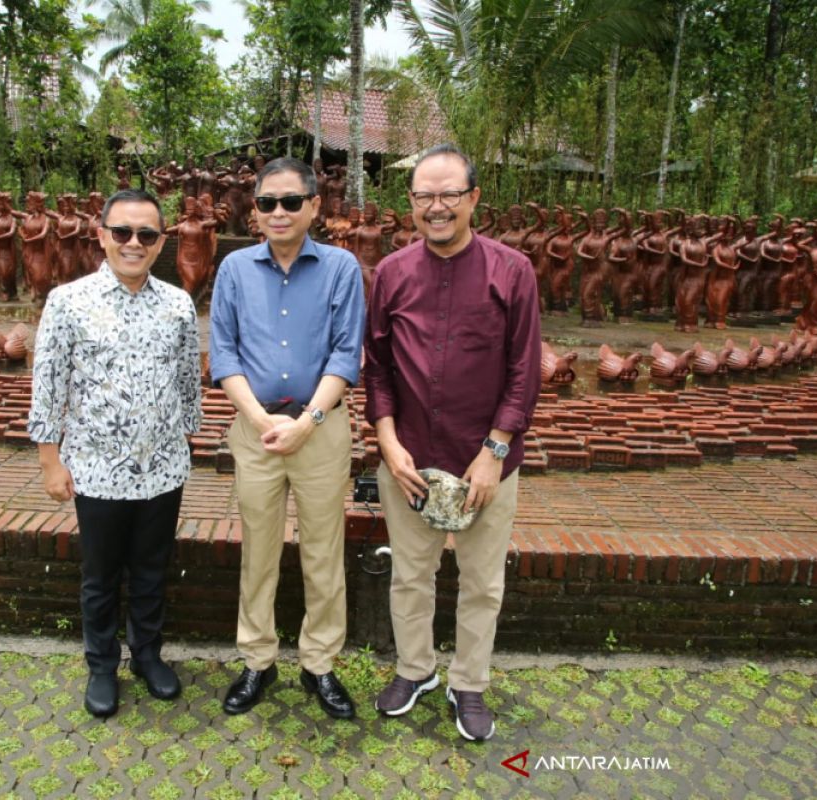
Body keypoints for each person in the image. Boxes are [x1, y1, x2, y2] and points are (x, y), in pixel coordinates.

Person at [365, 144, 541, 742]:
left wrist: (493, 453)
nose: (436, 207)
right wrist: (388, 442)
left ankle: (470, 682)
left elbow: (524, 371)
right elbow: (378, 367)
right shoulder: (390, 273)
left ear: (472, 199)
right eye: (423, 196)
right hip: (409, 458)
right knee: (410, 574)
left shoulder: (512, 271)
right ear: (409, 203)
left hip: (485, 461)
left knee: (481, 581)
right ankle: (415, 670)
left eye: (448, 195)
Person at [28, 189, 202, 719]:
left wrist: (184, 442)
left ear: (160, 243)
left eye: (146, 235)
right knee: (100, 577)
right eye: (122, 232)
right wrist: (49, 460)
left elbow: (189, 383)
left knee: (151, 571)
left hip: (162, 470)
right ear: (101, 235)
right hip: (97, 471)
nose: (133, 243)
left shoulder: (178, 304)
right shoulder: (68, 301)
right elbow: (48, 383)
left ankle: (147, 656)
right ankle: (101, 666)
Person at [209, 157, 365, 719]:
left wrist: (308, 422)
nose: (279, 212)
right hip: (256, 430)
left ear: (314, 207)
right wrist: (257, 418)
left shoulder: (342, 268)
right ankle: (258, 659)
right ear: (254, 210)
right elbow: (223, 352)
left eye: (291, 201)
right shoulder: (234, 270)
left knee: (324, 551)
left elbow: (348, 353)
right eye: (267, 203)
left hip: (319, 429)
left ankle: (319, 664)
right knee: (259, 550)